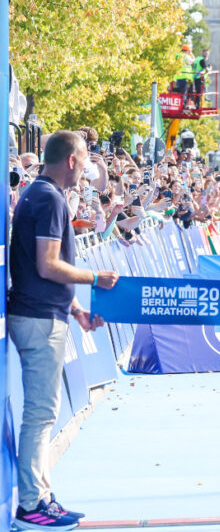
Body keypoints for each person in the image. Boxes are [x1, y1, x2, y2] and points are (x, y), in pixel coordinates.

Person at [8, 130, 118, 530]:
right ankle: (32, 504)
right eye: (86, 157)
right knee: (40, 415)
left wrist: (75, 311)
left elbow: (44, 271)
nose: (88, 166)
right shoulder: (50, 199)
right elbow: (47, 265)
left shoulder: (41, 196)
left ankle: (43, 497)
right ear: (70, 160)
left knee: (44, 413)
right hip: (38, 320)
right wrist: (94, 277)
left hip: (43, 312)